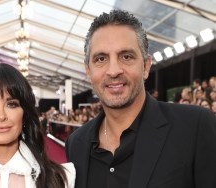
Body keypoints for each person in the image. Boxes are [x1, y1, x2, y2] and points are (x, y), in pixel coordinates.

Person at [65, 9, 216, 188]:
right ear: (88, 72)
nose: (113, 71)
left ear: (145, 66)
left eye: (126, 56)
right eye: (101, 59)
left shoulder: (194, 126)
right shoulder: (76, 144)